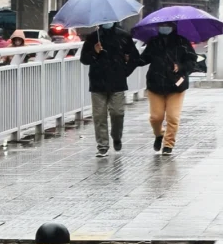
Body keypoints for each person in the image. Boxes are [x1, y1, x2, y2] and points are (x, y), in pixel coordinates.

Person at [79, 22, 140, 157]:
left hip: (117, 82)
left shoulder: (123, 36)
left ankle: (116, 136)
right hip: (97, 83)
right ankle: (102, 145)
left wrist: (124, 71)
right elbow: (84, 59)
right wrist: (94, 52)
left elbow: (134, 58)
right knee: (99, 115)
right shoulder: (93, 38)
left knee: (117, 113)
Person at [139, 23, 198, 155]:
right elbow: (143, 59)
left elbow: (192, 61)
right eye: (161, 25)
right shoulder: (154, 42)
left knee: (173, 117)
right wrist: (129, 57)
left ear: (173, 26)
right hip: (155, 84)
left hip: (176, 85)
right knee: (156, 117)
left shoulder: (182, 42)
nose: (164, 27)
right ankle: (159, 134)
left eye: (167, 25)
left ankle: (168, 144)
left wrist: (181, 67)